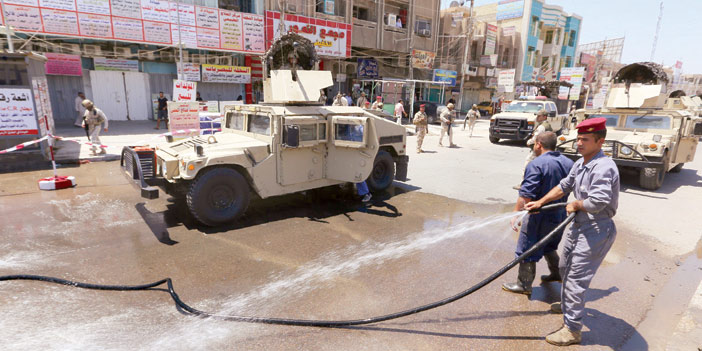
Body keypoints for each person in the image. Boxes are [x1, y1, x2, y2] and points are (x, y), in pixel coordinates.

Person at [525, 117, 619, 346]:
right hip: (579, 226)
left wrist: (576, 204)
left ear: (600, 142)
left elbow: (598, 201)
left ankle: (572, 330)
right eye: (578, 138)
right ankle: (568, 307)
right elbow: (564, 186)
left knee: (576, 279)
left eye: (585, 139)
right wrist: (541, 201)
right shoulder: (581, 163)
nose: (579, 143)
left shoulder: (604, 167)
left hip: (596, 229)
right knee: (565, 269)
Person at [504, 131, 573, 295]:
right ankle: (557, 274)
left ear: (539, 144)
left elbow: (526, 194)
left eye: (534, 144)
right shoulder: (569, 162)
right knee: (549, 245)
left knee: (527, 248)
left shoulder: (537, 164)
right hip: (560, 215)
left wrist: (516, 214)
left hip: (538, 215)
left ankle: (524, 284)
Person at [515, 109, 552, 189]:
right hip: (544, 149)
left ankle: (523, 184)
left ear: (544, 117)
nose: (537, 117)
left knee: (527, 165)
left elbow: (536, 137)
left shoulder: (542, 126)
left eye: (539, 116)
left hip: (537, 150)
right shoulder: (546, 125)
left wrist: (529, 142)